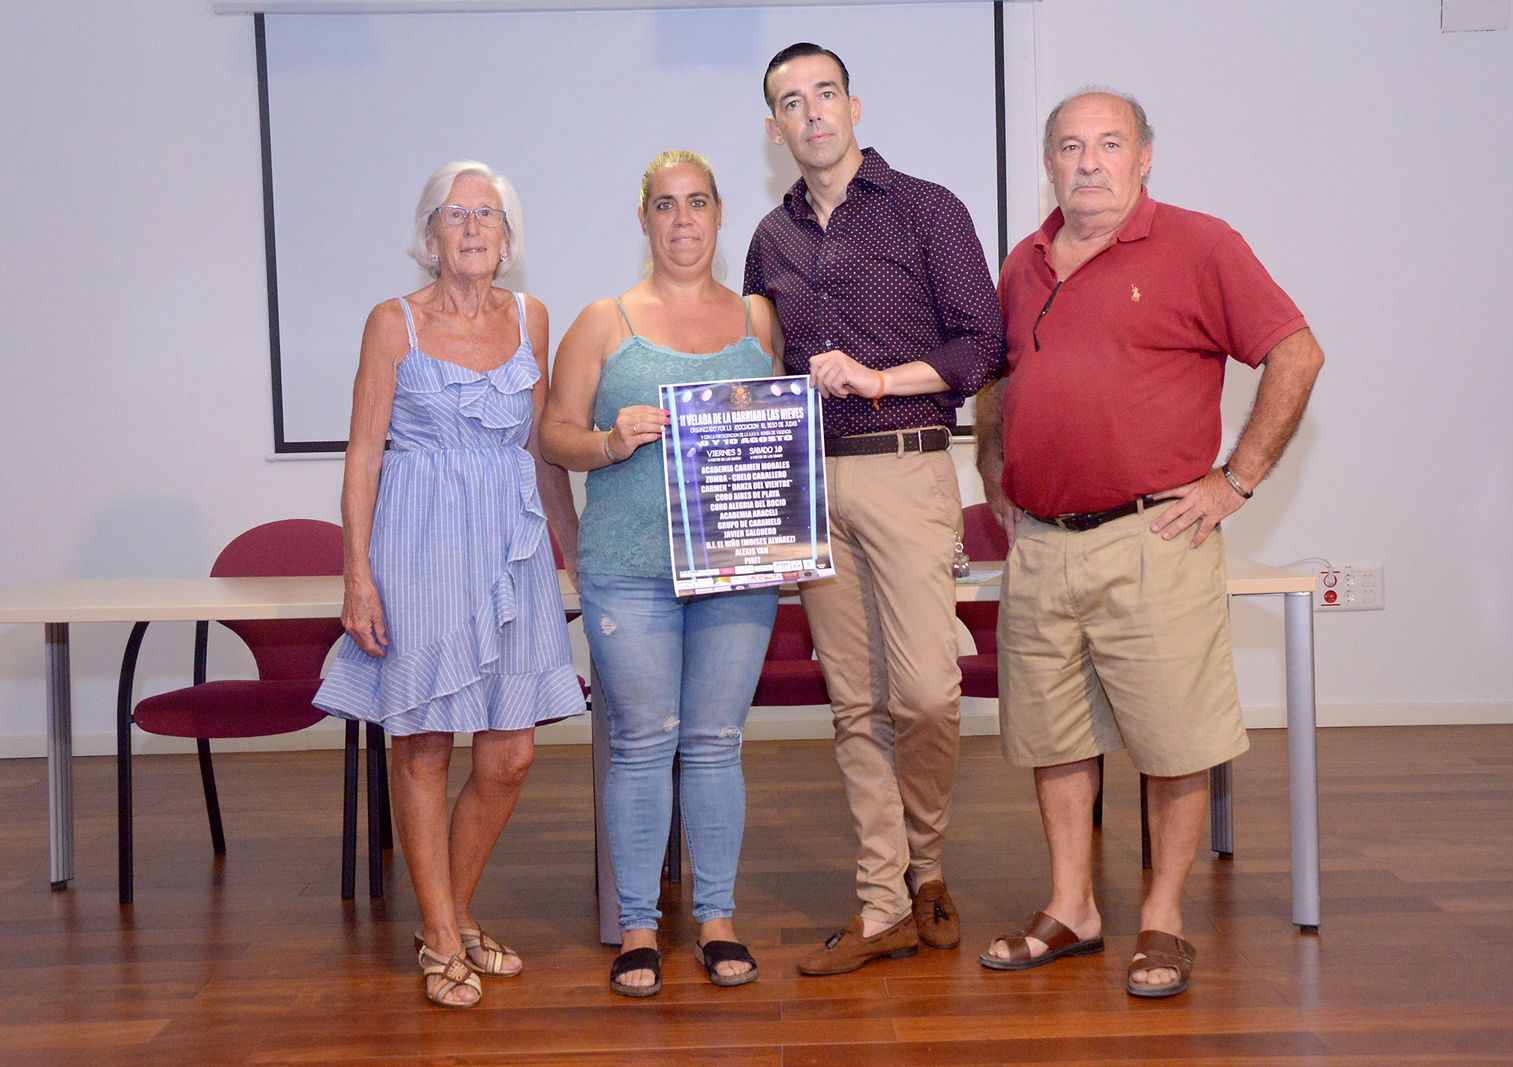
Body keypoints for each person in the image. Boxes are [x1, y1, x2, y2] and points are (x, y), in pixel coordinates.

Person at [975, 89, 1324, 997]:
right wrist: (994, 470)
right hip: (1044, 546)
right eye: (1069, 147)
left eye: (1109, 144)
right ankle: (1072, 908)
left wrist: (1235, 479)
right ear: (1047, 162)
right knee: (1055, 737)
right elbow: (1001, 377)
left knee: (1174, 739)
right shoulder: (1023, 264)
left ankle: (1163, 918)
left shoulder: (1201, 245)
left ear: (1145, 155)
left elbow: (1296, 351)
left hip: (1154, 537)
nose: (1088, 162)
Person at [744, 43, 1005, 976]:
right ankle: (882, 900)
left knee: (928, 693)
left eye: (824, 94)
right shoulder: (769, 239)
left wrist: (878, 379)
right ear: (773, 128)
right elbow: (758, 379)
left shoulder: (929, 208)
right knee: (856, 707)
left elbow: (984, 345)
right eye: (790, 103)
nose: (810, 113)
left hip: (907, 467)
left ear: (855, 106)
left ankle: (926, 867)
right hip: (815, 484)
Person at [314, 160, 587, 1009]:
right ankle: (442, 937)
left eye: (487, 214)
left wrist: (573, 550)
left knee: (511, 751)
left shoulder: (531, 317)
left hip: (511, 546)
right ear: (428, 235)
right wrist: (357, 572)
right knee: (425, 743)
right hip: (418, 541)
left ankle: (451, 914)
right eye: (453, 213)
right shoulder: (392, 323)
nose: (471, 227)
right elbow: (363, 450)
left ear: (508, 239)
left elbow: (541, 446)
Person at [542, 150, 783, 998]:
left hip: (738, 570)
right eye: (666, 206)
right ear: (643, 219)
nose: (683, 221)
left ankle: (716, 919)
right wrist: (610, 441)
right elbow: (554, 434)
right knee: (644, 745)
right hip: (631, 570)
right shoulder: (603, 323)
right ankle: (638, 927)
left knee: (716, 744)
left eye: (698, 204)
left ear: (720, 215)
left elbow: (780, 437)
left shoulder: (759, 319)